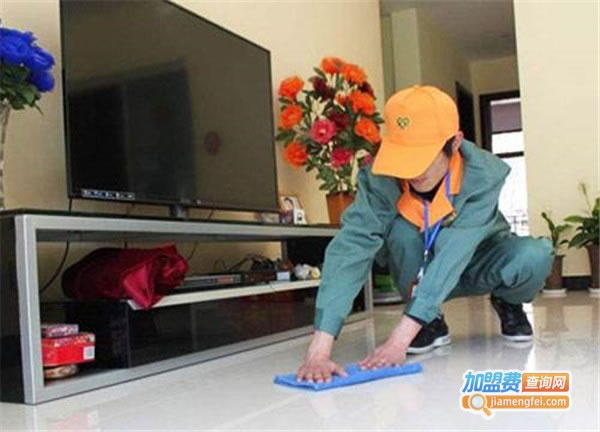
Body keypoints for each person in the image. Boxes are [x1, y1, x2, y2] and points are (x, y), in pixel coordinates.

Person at [296, 85, 553, 383]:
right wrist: (319, 350)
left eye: (423, 157)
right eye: (404, 156)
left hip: (477, 264)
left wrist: (399, 340)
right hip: (420, 272)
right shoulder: (382, 178)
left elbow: (454, 253)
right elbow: (351, 247)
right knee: (401, 231)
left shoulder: (483, 176)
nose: (412, 171)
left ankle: (508, 302)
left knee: (535, 254)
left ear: (455, 143)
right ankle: (429, 320)